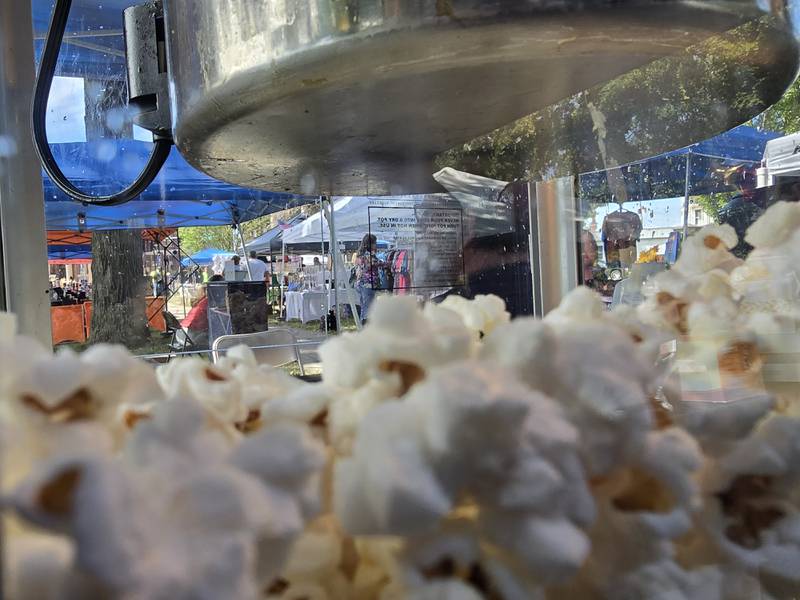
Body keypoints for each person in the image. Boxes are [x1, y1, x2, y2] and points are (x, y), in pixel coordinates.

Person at [355, 233, 384, 321]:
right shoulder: (368, 255)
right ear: (369, 244)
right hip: (367, 285)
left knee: (364, 307)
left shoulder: (360, 254)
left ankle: (362, 329)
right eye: (374, 243)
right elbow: (377, 263)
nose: (376, 245)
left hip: (361, 284)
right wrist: (389, 263)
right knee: (368, 309)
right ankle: (365, 329)